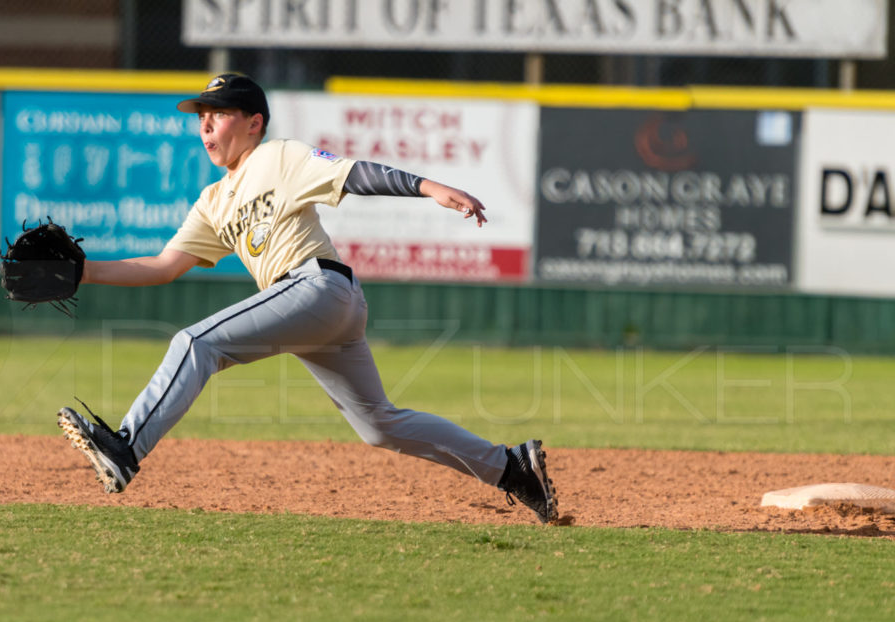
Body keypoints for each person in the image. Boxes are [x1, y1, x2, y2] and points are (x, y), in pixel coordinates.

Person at [57, 72, 556, 524]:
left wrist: (428, 187)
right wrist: (81, 272)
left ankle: (126, 446)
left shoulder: (279, 157)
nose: (206, 127)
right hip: (311, 310)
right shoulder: (213, 200)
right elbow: (163, 266)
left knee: (196, 343)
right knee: (378, 426)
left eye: (219, 115)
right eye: (202, 119)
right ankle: (511, 468)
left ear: (254, 123)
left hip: (319, 287)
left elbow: (353, 173)